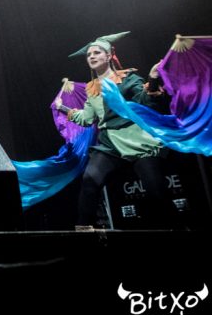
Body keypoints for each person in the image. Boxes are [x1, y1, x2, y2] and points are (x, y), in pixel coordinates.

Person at [54, 32, 174, 228]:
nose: (91, 56)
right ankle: (84, 230)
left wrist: (152, 79)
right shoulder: (92, 89)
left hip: (137, 140)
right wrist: (63, 108)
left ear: (109, 56)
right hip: (110, 143)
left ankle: (173, 230)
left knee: (156, 190)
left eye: (97, 53)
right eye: (89, 54)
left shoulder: (127, 78)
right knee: (90, 180)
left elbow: (145, 101)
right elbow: (87, 118)